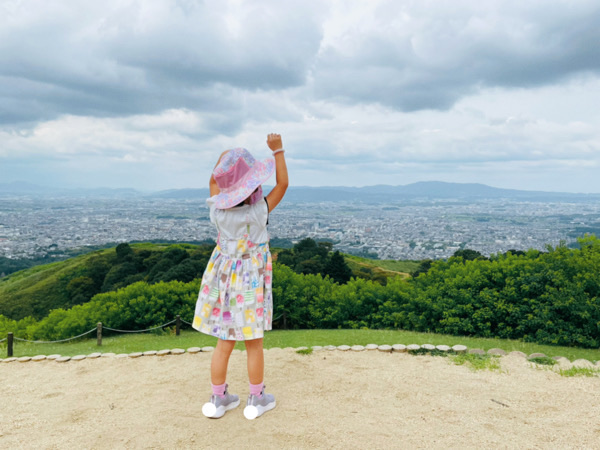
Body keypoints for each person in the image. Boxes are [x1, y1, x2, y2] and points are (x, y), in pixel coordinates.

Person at [192, 133, 288, 420]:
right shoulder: (260, 212)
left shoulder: (217, 211)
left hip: (224, 286)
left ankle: (218, 398)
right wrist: (278, 150)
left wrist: (226, 160)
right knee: (253, 342)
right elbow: (283, 184)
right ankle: (256, 398)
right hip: (251, 288)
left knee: (224, 343)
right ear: (252, 185)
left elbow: (214, 182)